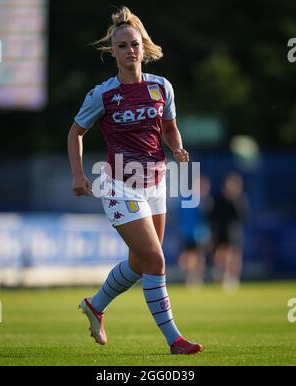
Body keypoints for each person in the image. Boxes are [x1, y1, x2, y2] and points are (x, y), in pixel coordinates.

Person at [67, 7, 202, 355]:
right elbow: (75, 133)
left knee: (142, 263)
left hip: (156, 183)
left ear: (144, 48)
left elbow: (170, 129)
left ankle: (95, 305)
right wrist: (79, 174)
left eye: (135, 44)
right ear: (113, 52)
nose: (130, 50)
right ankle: (175, 340)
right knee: (155, 261)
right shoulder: (103, 95)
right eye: (122, 46)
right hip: (119, 186)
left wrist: (178, 148)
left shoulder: (162, 88)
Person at [211, 172, 250, 291]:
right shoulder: (219, 198)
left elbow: (244, 215)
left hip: (235, 230)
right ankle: (221, 275)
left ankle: (233, 278)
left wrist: (234, 199)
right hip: (222, 230)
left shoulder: (240, 199)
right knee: (221, 253)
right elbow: (214, 215)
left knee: (235, 255)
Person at [178, 175, 214, 287]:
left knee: (199, 256)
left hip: (201, 233)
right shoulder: (189, 199)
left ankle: (196, 279)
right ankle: (191, 278)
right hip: (189, 233)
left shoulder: (205, 200)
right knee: (189, 257)